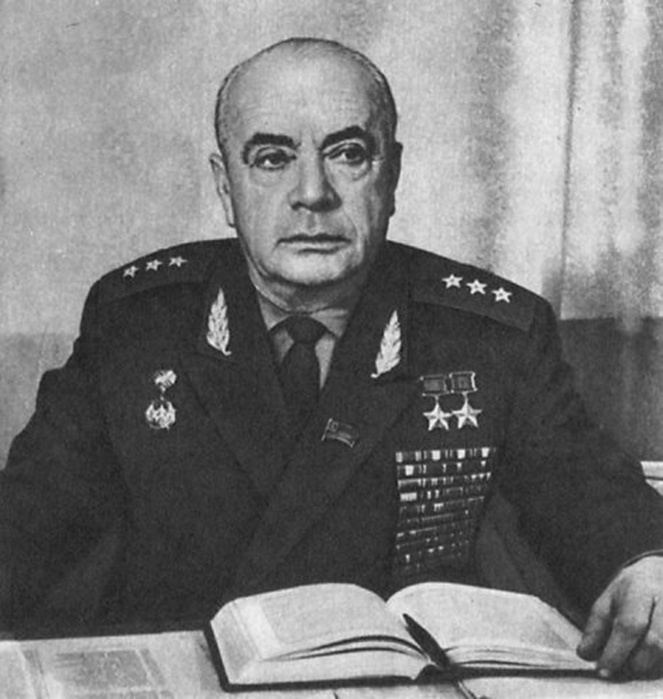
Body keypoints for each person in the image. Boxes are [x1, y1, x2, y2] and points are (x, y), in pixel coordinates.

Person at [2, 37, 662, 680]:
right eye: (271, 158)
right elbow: (28, 521)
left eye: (348, 153)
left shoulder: (489, 336)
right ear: (225, 187)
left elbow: (583, 487)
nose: (312, 192)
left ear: (392, 174)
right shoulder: (137, 323)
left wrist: (644, 560)